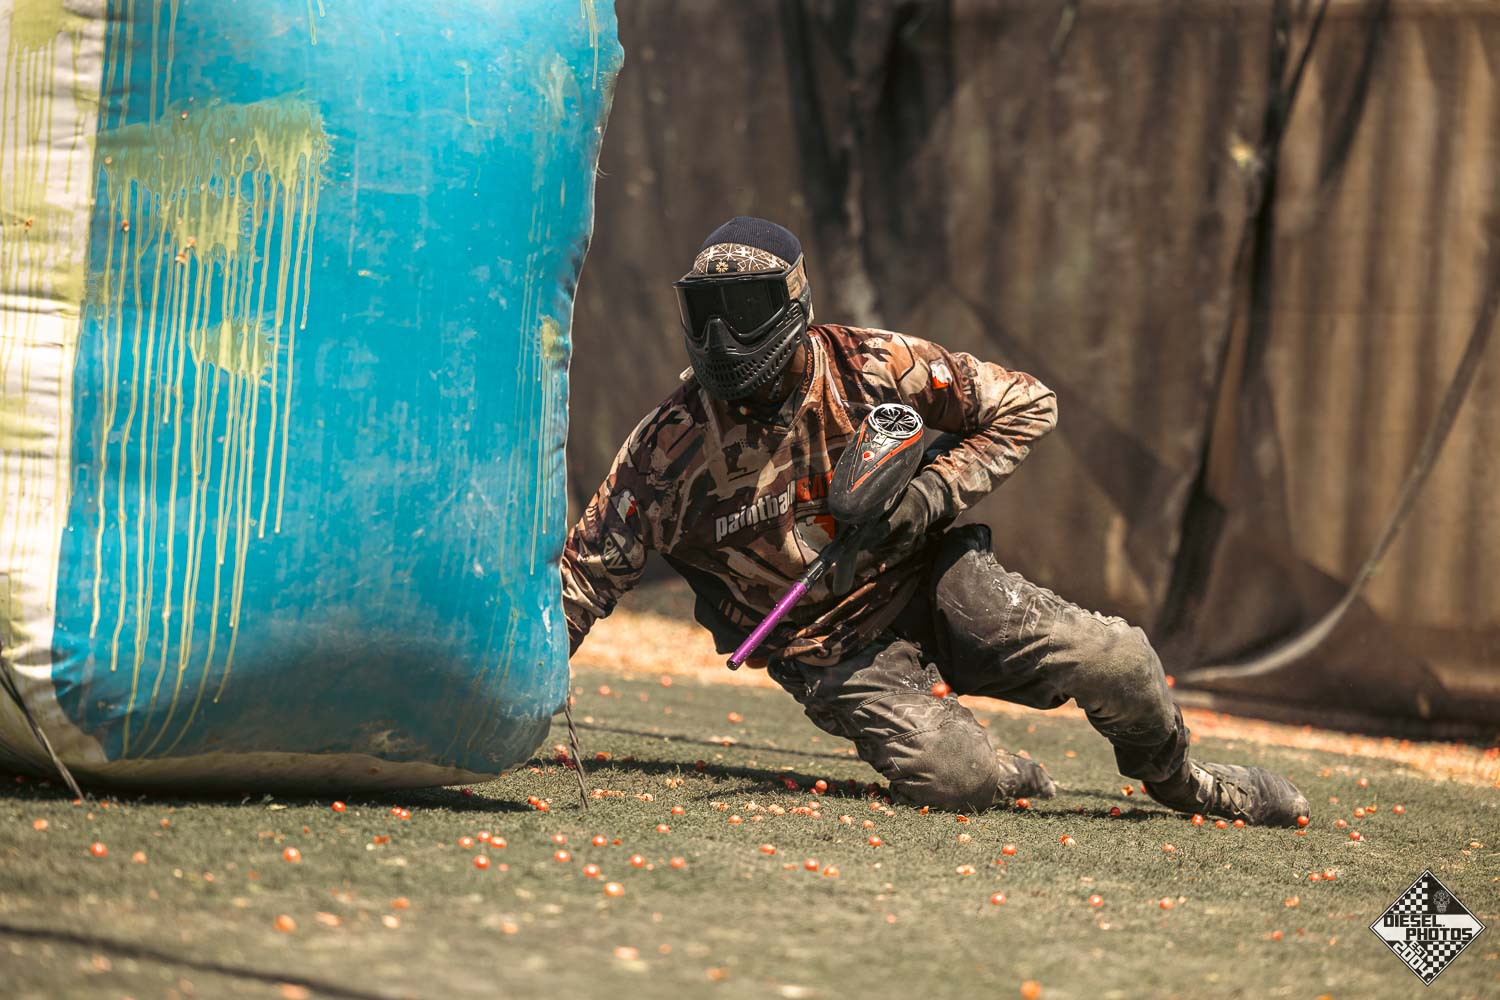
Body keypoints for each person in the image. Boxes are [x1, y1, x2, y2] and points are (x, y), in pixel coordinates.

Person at [560, 216, 1310, 826]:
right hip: (830, 652)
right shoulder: (666, 453)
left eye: (746, 311)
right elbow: (581, 582)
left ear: (793, 305)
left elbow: (1028, 403)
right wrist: (508, 706)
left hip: (937, 583)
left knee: (1118, 660)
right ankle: (1005, 772)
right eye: (705, 314)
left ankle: (1187, 781)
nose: (723, 340)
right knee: (958, 778)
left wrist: (930, 495)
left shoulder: (871, 365)